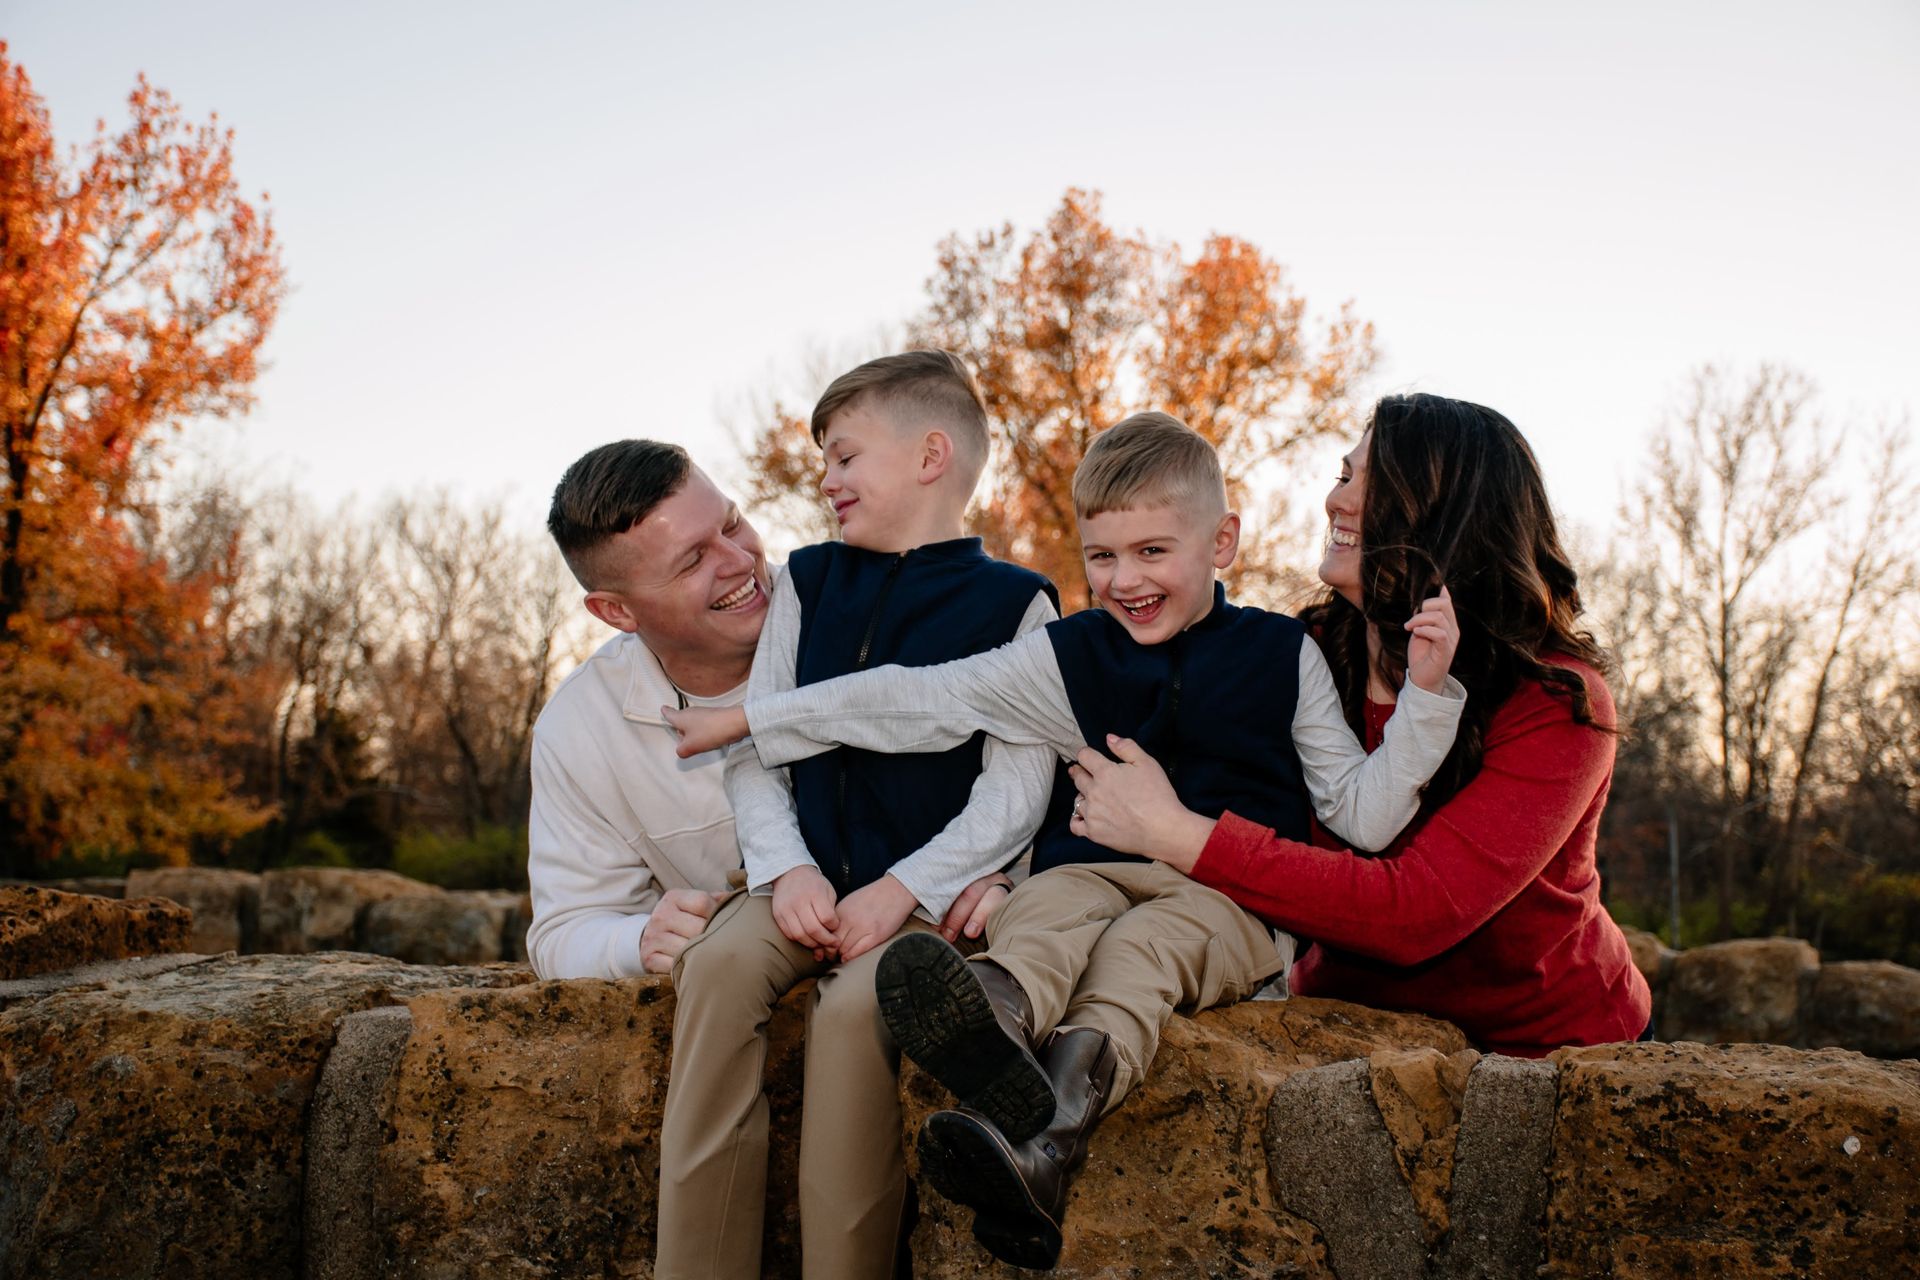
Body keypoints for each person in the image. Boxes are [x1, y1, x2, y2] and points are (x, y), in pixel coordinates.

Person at [665, 411, 1466, 1270]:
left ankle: (1047, 1130)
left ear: (1222, 540)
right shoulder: (1066, 654)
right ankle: (997, 1023)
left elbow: (1363, 814)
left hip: (1225, 900)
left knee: (1144, 952)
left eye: (1154, 551)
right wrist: (750, 716)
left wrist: (1425, 699)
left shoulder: (1283, 651)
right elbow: (915, 699)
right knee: (1042, 909)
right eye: (1102, 556)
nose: (1125, 579)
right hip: (1088, 869)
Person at [1065, 393, 1653, 1057]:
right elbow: (1123, 779)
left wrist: (1178, 833)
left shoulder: (1556, 701)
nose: (1336, 503)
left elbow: (1415, 913)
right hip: (1347, 1029)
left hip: (1548, 1050)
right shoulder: (1296, 654)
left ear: (1442, 515)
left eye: (1363, 485)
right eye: (1342, 477)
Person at [654, 352, 1061, 1280]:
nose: (825, 480)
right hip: (801, 876)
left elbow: (1016, 789)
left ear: (930, 455)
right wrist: (782, 868)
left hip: (916, 899)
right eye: (822, 464)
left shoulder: (1017, 603)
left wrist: (905, 889)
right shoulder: (806, 581)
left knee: (850, 1018)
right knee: (715, 969)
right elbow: (754, 746)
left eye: (843, 457)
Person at [526, 440, 773, 981]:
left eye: (731, 525)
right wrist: (639, 939)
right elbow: (563, 932)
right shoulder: (579, 729)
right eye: (693, 560)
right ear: (616, 611)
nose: (739, 561)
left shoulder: (860, 610)